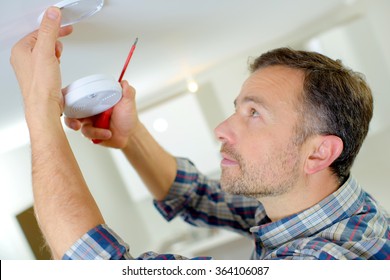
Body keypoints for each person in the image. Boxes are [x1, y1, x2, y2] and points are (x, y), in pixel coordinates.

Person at [11, 7, 390, 260]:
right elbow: (198, 196)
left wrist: (39, 108)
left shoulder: (327, 260)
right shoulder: (320, 207)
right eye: (237, 108)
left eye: (255, 113)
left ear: (318, 154)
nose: (221, 129)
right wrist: (131, 136)